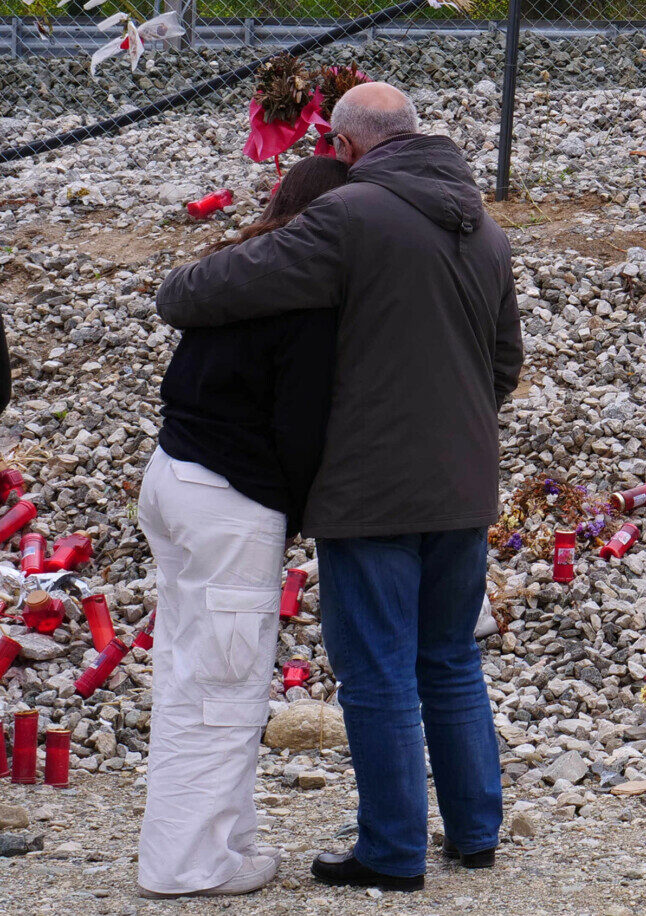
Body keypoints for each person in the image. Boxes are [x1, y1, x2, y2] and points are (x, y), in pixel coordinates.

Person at [157, 82, 523, 893]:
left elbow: (206, 292)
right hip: (464, 485)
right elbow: (503, 367)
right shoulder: (487, 232)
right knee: (451, 658)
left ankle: (391, 852)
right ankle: (474, 832)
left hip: (373, 490)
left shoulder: (352, 217)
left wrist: (175, 283)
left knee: (377, 671)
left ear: (348, 147)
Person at [138, 155, 351, 899]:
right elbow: (299, 428)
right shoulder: (310, 296)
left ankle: (214, 843)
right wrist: (306, 511)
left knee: (189, 672)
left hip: (173, 473)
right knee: (223, 686)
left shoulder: (235, 268)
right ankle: (189, 865)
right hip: (232, 495)